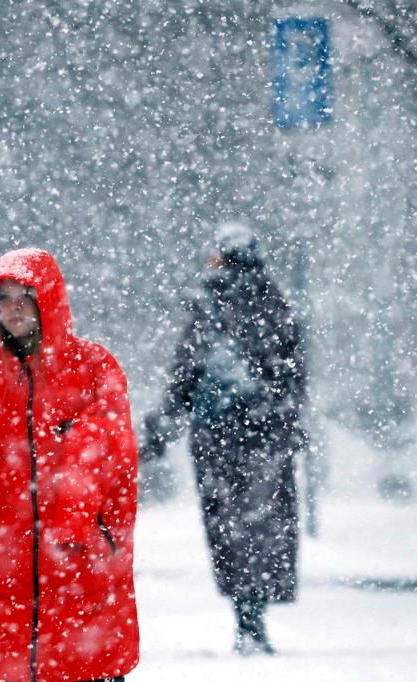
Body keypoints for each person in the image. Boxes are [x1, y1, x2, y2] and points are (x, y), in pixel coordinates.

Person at [0, 248, 139, 682]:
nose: (13, 307)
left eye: (24, 294)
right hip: (6, 577)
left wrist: (70, 525)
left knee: (86, 667)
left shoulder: (93, 367)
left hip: (82, 576)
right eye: (2, 298)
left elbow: (108, 450)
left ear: (48, 298)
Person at [139, 221, 307, 655]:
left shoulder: (211, 304)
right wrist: (286, 421)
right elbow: (293, 374)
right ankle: (255, 618)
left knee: (229, 528)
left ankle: (245, 617)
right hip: (266, 436)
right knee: (264, 526)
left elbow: (185, 373)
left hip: (218, 437)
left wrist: (159, 432)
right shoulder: (276, 303)